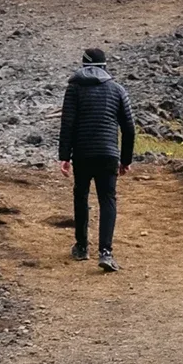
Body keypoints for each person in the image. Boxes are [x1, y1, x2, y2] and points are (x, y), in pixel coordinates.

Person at [57, 44, 135, 271]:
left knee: (81, 195)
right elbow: (129, 128)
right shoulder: (117, 89)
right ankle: (106, 252)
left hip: (82, 153)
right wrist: (126, 160)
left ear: (83, 65)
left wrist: (64, 157)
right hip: (109, 153)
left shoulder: (74, 89)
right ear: (104, 66)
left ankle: (82, 247)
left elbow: (67, 124)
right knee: (107, 199)